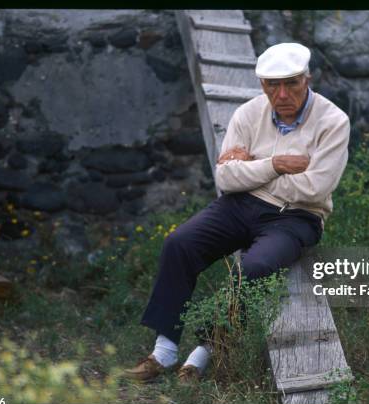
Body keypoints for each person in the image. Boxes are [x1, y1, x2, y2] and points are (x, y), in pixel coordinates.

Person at [124, 42, 350, 383]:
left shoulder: (333, 121)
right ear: (262, 85)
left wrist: (251, 169)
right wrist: (275, 164)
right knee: (179, 244)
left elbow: (315, 188)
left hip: (297, 217)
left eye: (292, 83)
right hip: (240, 204)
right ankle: (164, 351)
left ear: (308, 78)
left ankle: (203, 352)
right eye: (272, 85)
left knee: (254, 268)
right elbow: (226, 178)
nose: (282, 93)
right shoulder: (247, 113)